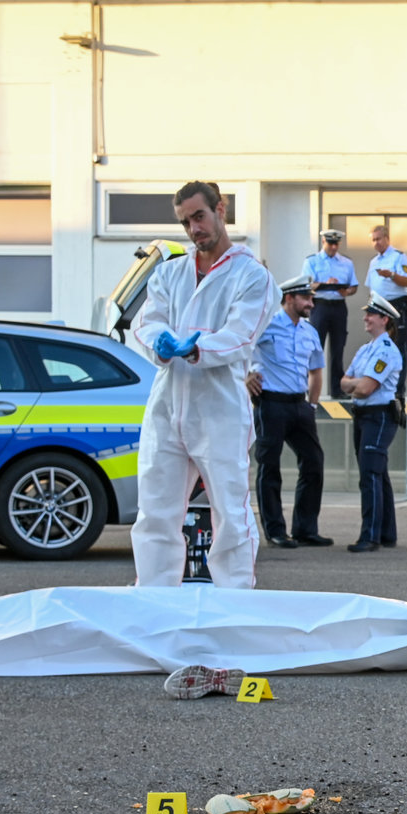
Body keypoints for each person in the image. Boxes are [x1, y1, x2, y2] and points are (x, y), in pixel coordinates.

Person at [130, 180, 275, 588]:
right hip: (167, 405)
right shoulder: (170, 273)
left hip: (220, 406)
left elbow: (241, 334)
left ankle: (235, 604)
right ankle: (154, 601)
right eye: (185, 222)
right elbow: (147, 322)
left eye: (199, 216)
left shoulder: (253, 276)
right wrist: (161, 344)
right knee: (156, 510)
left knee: (229, 510)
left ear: (220, 210)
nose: (194, 229)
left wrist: (197, 349)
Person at [246, 274, 330, 549]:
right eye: (306, 298)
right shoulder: (267, 325)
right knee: (269, 467)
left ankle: (305, 529)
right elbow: (238, 349)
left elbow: (317, 370)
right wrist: (246, 375)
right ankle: (275, 531)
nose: (311, 304)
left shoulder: (309, 331)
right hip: (271, 403)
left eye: (312, 299)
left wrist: (313, 404)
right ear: (289, 298)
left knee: (314, 461)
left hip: (299, 405)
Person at [341, 294, 406, 553]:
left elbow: (365, 387)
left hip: (379, 415)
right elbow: (343, 382)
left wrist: (355, 385)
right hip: (364, 415)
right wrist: (355, 385)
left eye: (371, 314)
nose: (366, 318)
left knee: (370, 474)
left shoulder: (386, 351)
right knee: (378, 474)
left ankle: (370, 536)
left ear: (384, 319)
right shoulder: (365, 349)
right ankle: (387, 533)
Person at [303, 229, 360, 398]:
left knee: (338, 348)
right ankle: (305, 387)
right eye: (330, 244)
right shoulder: (312, 261)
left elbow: (354, 286)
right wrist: (324, 284)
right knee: (315, 347)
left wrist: (347, 291)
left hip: (338, 305)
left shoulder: (346, 262)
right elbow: (307, 285)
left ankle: (337, 389)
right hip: (319, 305)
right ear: (323, 242)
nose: (333, 247)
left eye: (336, 244)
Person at [366, 224, 407, 375]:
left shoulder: (398, 257)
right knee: (380, 345)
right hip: (378, 306)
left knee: (398, 345)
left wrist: (392, 275)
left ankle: (398, 389)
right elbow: (370, 286)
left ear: (387, 238)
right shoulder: (373, 262)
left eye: (379, 239)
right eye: (373, 240)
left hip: (396, 305)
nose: (376, 243)